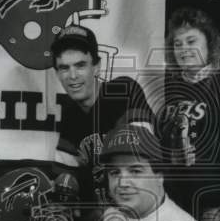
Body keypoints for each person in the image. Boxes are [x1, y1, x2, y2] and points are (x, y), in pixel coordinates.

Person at [156, 7, 220, 216]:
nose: (183, 48)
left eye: (191, 41)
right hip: (175, 207)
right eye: (177, 44)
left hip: (215, 208)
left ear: (209, 43)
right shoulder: (171, 90)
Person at [51, 24, 154, 199]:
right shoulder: (70, 115)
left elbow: (137, 162)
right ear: (57, 73)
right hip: (105, 217)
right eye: (64, 68)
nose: (72, 76)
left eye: (80, 65)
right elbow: (65, 177)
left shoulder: (123, 91)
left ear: (97, 67)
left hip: (146, 208)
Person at [99, 123, 200, 221]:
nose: (122, 183)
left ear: (159, 177)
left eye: (135, 171)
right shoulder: (111, 217)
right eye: (115, 172)